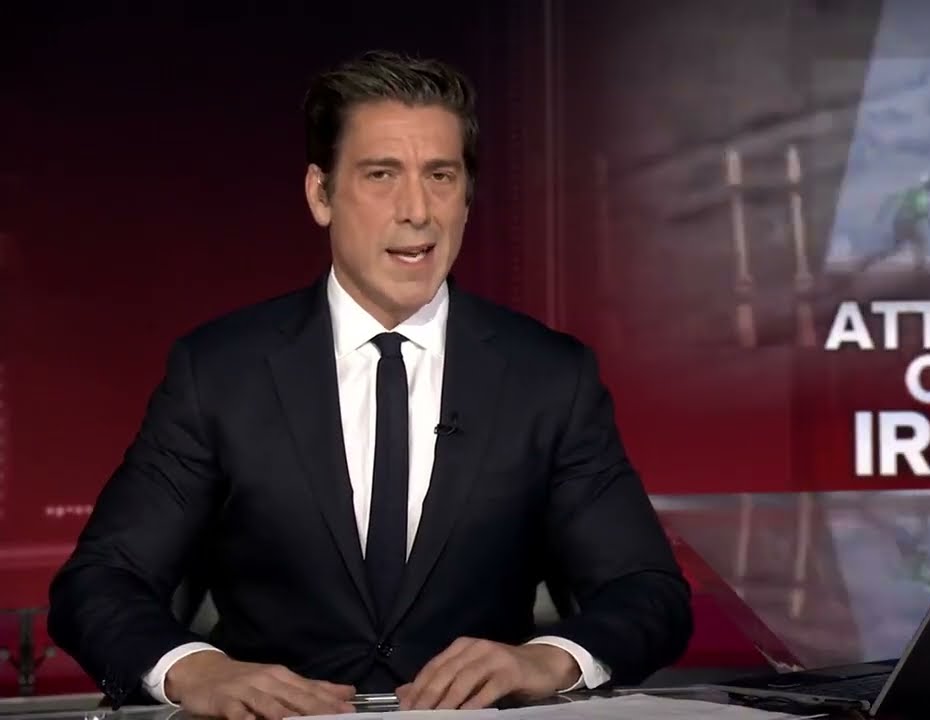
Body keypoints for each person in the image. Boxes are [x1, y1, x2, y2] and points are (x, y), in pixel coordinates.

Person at [47, 50, 692, 720]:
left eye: (440, 176)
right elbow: (100, 582)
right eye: (381, 175)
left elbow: (648, 593)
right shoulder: (219, 371)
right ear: (320, 194)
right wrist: (195, 670)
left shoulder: (549, 376)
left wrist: (547, 660)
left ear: (467, 196)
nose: (417, 211)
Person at [858, 173, 930, 274]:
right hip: (908, 222)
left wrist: (881, 214)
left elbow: (891, 198)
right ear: (928, 185)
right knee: (920, 241)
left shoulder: (909, 191)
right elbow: (920, 211)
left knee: (895, 248)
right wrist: (929, 219)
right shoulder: (922, 195)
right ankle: (920, 267)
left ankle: (867, 261)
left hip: (898, 222)